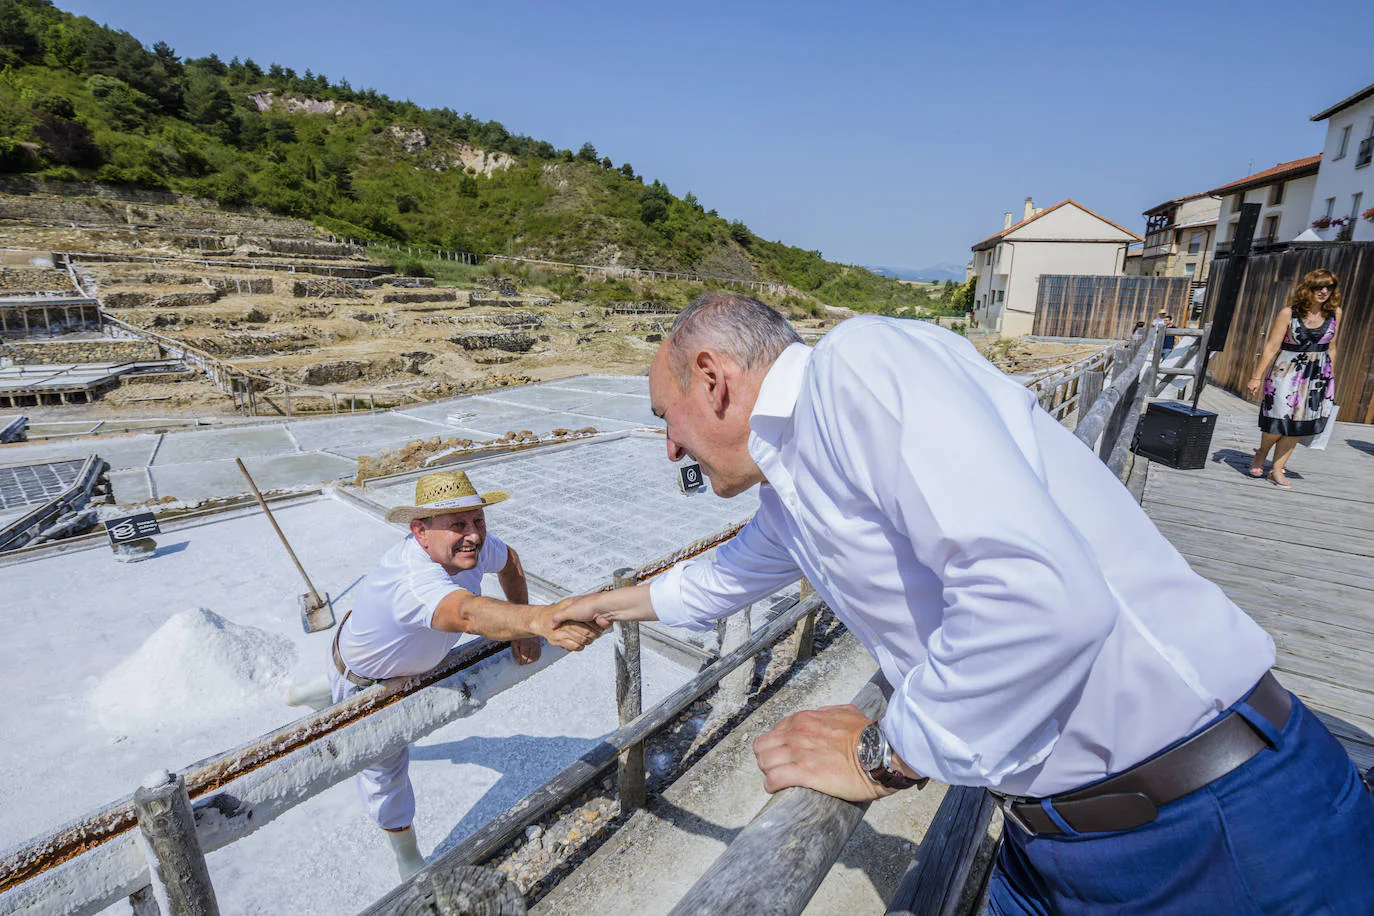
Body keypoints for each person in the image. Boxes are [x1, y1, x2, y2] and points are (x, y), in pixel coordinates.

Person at [551, 293, 1374, 914]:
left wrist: (884, 753)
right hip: (1053, 842)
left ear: (712, 379)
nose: (669, 447)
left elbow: (1039, 599)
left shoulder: (856, 367)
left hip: (1214, 832)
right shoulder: (792, 487)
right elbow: (714, 581)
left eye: (666, 418)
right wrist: (593, 607)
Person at [327, 470, 600, 878]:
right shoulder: (414, 581)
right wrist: (538, 620)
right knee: (385, 772)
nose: (473, 535)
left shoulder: (469, 549)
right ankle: (407, 859)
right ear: (420, 531)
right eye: (457, 524)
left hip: (404, 654)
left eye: (478, 521)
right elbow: (467, 614)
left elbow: (510, 561)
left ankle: (320, 695)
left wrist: (519, 627)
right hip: (367, 682)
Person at [1246, 269, 1341, 489]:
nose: (1324, 291)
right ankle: (1262, 453)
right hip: (1285, 372)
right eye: (1319, 287)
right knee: (1276, 421)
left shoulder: (1336, 313)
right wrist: (1256, 377)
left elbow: (1332, 347)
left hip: (1317, 376)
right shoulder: (1289, 313)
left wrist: (1330, 378)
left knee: (1299, 425)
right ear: (1308, 288)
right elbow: (1271, 347)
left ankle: (1277, 469)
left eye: (1329, 287)